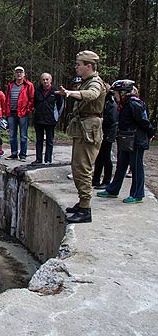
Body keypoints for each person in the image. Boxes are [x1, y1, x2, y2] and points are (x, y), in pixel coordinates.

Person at [57, 50, 105, 224]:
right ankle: (82, 203)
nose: (76, 67)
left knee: (83, 168)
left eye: (79, 65)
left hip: (89, 130)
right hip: (83, 129)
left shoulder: (95, 83)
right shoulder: (86, 82)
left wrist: (71, 93)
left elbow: (92, 95)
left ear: (88, 66)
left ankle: (85, 209)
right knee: (77, 166)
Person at [97, 80, 154, 204]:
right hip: (126, 139)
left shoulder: (134, 104)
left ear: (123, 93)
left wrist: (150, 134)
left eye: (116, 93)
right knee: (121, 165)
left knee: (136, 167)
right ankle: (113, 190)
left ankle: (137, 194)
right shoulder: (124, 103)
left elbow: (143, 122)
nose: (114, 95)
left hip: (136, 140)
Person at [31, 73, 64, 165]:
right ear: (41, 80)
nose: (45, 81)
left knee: (49, 141)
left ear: (51, 80)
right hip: (39, 119)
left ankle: (48, 159)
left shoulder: (56, 91)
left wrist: (56, 117)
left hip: (50, 120)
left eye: (47, 79)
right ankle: (38, 159)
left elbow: (61, 105)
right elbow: (34, 104)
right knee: (39, 140)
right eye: (43, 79)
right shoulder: (37, 90)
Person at [3, 66, 35, 160]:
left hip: (23, 113)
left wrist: (28, 110)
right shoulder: (10, 85)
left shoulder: (28, 85)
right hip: (11, 113)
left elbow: (32, 99)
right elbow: (7, 98)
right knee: (12, 134)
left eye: (21, 72)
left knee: (23, 135)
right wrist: (6, 111)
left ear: (24, 74)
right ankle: (13, 153)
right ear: (14, 74)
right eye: (17, 72)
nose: (19, 74)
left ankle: (23, 155)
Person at [92, 84, 118, 188]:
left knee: (106, 157)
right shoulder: (103, 101)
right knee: (99, 157)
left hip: (108, 133)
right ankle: (96, 180)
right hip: (102, 132)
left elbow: (111, 119)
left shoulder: (110, 102)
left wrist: (99, 120)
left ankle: (107, 181)